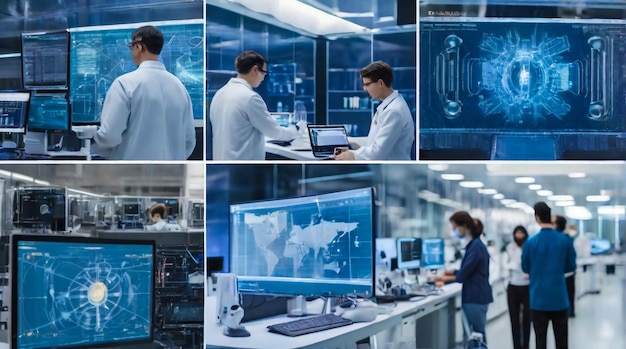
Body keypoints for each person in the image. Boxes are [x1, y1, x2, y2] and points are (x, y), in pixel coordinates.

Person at [93, 25, 196, 160]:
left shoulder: (125, 84)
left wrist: (90, 143)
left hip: (130, 174)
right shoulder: (180, 87)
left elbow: (109, 137)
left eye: (131, 46)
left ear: (138, 47)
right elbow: (189, 141)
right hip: (171, 174)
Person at [210, 50, 298, 160]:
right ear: (255, 70)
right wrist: (295, 131)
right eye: (264, 73)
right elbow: (274, 132)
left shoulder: (219, 94)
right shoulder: (250, 98)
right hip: (244, 163)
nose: (263, 78)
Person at [334, 61, 415, 160]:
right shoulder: (389, 106)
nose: (365, 89)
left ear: (380, 83)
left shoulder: (393, 111)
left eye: (367, 84)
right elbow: (376, 142)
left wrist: (353, 155)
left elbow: (377, 153)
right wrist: (352, 142)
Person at [522, 202, 576, 349]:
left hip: (538, 298)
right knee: (562, 340)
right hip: (559, 297)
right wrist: (557, 269)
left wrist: (538, 270)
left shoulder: (531, 242)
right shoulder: (564, 240)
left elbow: (525, 267)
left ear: (537, 218)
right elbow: (571, 265)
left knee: (540, 339)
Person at [437, 211, 493, 343]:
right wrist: (450, 273)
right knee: (475, 336)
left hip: (475, 297)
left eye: (455, 227)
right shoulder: (475, 245)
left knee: (475, 337)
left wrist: (444, 279)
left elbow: (463, 275)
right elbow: (467, 270)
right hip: (478, 295)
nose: (454, 231)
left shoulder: (475, 247)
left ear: (464, 226)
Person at [505, 225, 530, 349]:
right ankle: (516, 346)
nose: (519, 236)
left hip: (526, 286)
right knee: (514, 320)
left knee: (527, 320)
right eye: (517, 233)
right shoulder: (510, 247)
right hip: (513, 286)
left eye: (521, 233)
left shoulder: (529, 246)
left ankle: (526, 345)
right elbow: (506, 262)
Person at [553, 215, 576, 318]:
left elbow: (571, 262)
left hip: (565, 275)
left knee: (567, 296)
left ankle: (570, 311)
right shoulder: (565, 239)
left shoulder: (564, 240)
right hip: (562, 274)